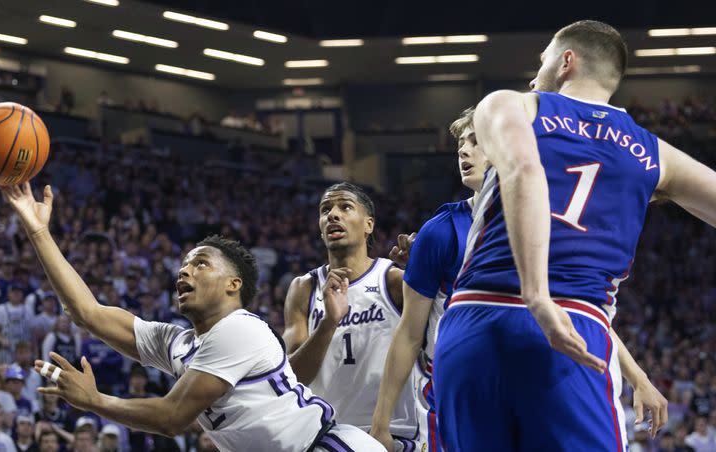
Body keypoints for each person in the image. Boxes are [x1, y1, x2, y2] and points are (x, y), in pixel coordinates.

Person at [433, 19, 716, 451]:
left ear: (566, 61)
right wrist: (539, 300)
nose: (534, 73)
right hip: (574, 320)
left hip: (474, 318)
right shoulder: (654, 152)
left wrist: (535, 294)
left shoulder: (513, 104)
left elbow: (524, 170)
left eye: (542, 58)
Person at [1, 182, 385, 452]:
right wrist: (38, 232)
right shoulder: (180, 344)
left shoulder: (241, 330)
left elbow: (172, 417)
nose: (184, 272)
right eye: (184, 265)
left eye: (200, 264)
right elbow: (88, 313)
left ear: (233, 284)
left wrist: (96, 400)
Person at [372, 107, 668, 451]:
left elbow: (578, 312)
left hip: (541, 380)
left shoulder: (546, 222)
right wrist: (381, 424)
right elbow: (409, 333)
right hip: (472, 388)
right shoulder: (440, 231)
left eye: (475, 142)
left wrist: (638, 378)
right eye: (460, 147)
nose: (464, 152)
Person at [282, 182, 419, 449]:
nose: (333, 215)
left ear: (368, 225)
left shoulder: (393, 280)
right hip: (330, 437)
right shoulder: (304, 288)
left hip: (393, 435)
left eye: (345, 207)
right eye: (325, 210)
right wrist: (329, 323)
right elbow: (293, 378)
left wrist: (426, 276)